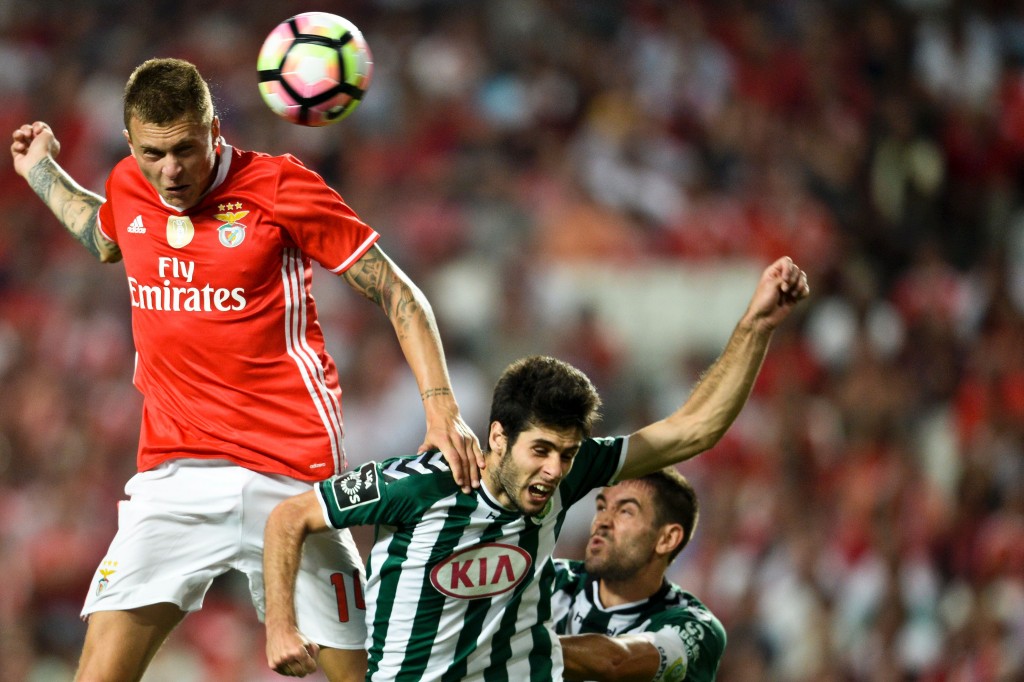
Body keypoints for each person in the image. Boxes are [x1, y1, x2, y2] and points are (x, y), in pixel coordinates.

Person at [9, 57, 483, 682]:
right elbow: (103, 236)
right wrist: (38, 169)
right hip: (173, 476)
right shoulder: (130, 185)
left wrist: (440, 404)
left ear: (213, 129)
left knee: (361, 677)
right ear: (130, 143)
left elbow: (397, 291)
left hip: (289, 471)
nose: (170, 170)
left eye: (185, 149)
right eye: (153, 153)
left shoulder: (279, 187)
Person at [263, 255, 810, 680]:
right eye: (541, 450)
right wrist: (282, 628)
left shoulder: (568, 481)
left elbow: (693, 429)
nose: (554, 471)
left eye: (567, 454)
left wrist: (755, 326)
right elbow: (289, 517)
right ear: (497, 438)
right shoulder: (421, 482)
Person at [552, 468, 725, 681]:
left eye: (625, 511)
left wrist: (519, 646)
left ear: (667, 539)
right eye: (601, 507)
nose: (601, 521)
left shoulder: (695, 626)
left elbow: (617, 663)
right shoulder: (551, 581)